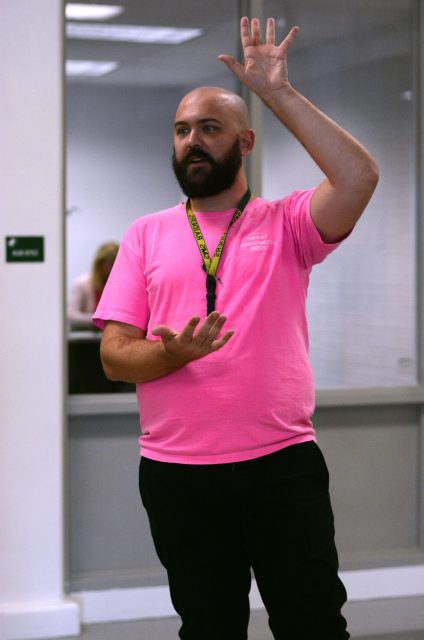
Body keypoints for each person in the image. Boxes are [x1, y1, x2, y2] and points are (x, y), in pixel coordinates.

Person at [93, 17, 379, 640]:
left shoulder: (288, 224)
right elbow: (115, 357)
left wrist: (277, 94)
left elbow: (359, 178)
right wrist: (174, 356)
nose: (192, 140)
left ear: (245, 142)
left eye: (210, 128)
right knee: (209, 627)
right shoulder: (145, 234)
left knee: (312, 624)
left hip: (281, 466)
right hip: (177, 473)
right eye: (181, 130)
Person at [68, 241, 119, 329]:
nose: (112, 267)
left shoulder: (120, 286)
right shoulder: (81, 283)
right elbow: (71, 316)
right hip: (84, 338)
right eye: (109, 263)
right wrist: (101, 320)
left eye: (115, 263)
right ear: (99, 263)